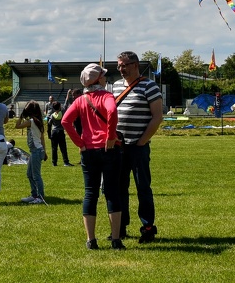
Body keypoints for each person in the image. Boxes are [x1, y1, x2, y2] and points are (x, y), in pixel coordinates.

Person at [62, 63, 124, 250]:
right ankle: (115, 240)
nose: (106, 78)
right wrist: (111, 136)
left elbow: (65, 121)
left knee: (91, 193)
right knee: (112, 192)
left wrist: (80, 143)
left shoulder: (81, 100)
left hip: (88, 151)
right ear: (98, 79)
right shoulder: (106, 96)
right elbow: (112, 112)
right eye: (103, 76)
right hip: (108, 150)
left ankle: (91, 240)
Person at [113, 50, 163, 244]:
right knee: (119, 188)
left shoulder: (149, 86)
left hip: (138, 147)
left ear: (135, 65)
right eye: (119, 66)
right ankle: (121, 227)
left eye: (124, 65)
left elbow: (157, 117)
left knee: (143, 187)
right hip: (118, 147)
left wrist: (141, 141)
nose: (121, 69)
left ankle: (148, 227)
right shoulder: (115, 86)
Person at [15, 100, 46, 204]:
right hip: (37, 150)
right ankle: (34, 195)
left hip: (36, 151)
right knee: (29, 174)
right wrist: (45, 152)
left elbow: (17, 126)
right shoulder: (39, 121)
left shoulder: (32, 121)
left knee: (36, 175)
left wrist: (20, 116)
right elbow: (42, 139)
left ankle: (40, 197)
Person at [47, 101, 72, 167]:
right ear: (60, 107)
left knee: (54, 148)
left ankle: (54, 162)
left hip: (54, 132)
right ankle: (66, 162)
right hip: (60, 131)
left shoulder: (52, 115)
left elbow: (49, 124)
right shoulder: (62, 113)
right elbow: (66, 105)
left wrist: (49, 134)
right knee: (63, 148)